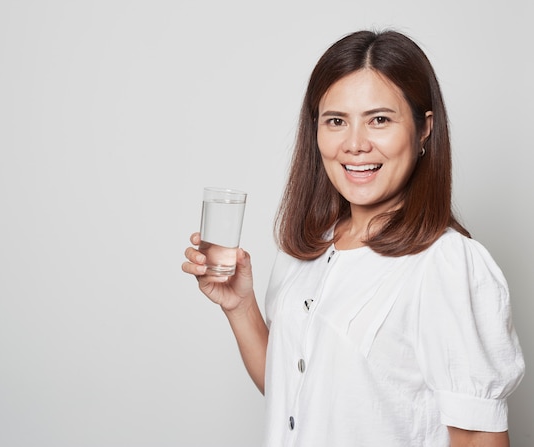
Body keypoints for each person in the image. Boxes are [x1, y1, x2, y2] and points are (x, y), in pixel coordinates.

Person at [182, 29, 525, 447]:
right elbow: (294, 396)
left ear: (423, 130)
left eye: (379, 119)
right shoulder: (307, 247)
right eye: (336, 121)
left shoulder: (446, 264)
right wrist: (239, 306)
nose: (355, 144)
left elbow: (477, 439)